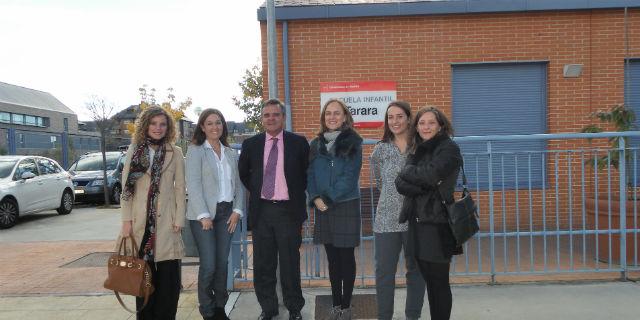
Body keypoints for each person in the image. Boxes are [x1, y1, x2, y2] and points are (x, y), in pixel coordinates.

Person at [238, 98, 309, 320]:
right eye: (267, 115)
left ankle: (294, 308)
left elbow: (305, 175)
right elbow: (245, 175)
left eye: (275, 114)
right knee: (263, 264)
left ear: (283, 118)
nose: (271, 118)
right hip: (262, 212)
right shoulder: (251, 145)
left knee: (290, 263)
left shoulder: (299, 143)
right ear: (261, 119)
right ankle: (268, 309)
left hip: (289, 212)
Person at [395, 106, 463, 320]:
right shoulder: (418, 149)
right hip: (418, 222)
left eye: (431, 122)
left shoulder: (448, 148)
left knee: (438, 282)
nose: (426, 127)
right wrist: (421, 181)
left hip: (437, 222)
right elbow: (400, 183)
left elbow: (431, 175)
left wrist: (411, 175)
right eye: (422, 123)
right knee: (428, 278)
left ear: (441, 125)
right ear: (416, 127)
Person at [119, 106, 186, 320]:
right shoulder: (135, 150)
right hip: (140, 224)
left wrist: (179, 219)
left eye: (162, 124)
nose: (158, 128)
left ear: (168, 128)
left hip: (167, 222)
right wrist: (126, 220)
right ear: (146, 125)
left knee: (169, 282)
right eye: (154, 123)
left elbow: (179, 187)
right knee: (144, 280)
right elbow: (126, 189)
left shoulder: (174, 152)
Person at [186, 108, 245, 320]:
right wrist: (203, 215)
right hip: (203, 215)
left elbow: (239, 185)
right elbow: (193, 184)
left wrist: (237, 211)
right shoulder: (195, 150)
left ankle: (220, 307)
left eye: (218, 122)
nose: (214, 127)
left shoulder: (229, 152)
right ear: (202, 127)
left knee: (222, 264)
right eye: (209, 123)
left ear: (223, 126)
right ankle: (207, 309)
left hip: (227, 213)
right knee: (209, 264)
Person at [307, 99, 363, 320]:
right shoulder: (315, 144)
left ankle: (346, 306)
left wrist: (327, 198)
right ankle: (336, 304)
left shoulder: (353, 142)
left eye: (336, 113)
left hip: (345, 203)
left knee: (346, 257)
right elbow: (309, 175)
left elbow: (350, 178)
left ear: (345, 117)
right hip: (323, 206)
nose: (332, 117)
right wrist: (315, 197)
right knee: (332, 258)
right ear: (323, 118)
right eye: (328, 113)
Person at [370, 101, 426, 320]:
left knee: (416, 271)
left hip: (417, 219)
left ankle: (413, 316)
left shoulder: (421, 148)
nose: (395, 121)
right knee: (384, 273)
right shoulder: (380, 150)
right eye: (390, 117)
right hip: (386, 219)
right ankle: (384, 316)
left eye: (400, 116)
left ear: (409, 119)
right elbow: (379, 183)